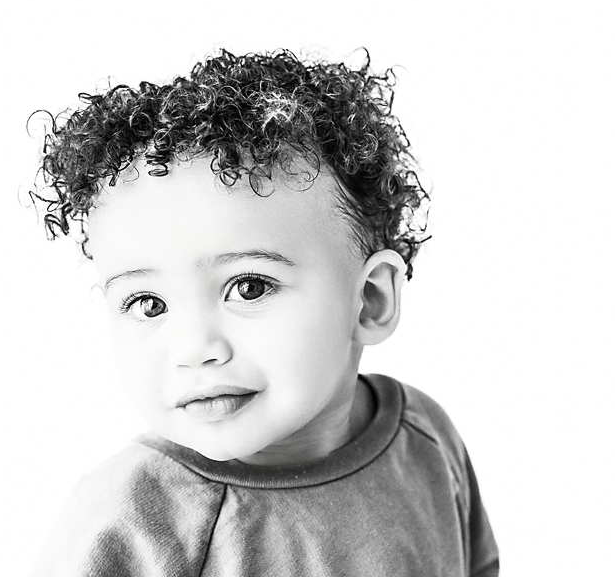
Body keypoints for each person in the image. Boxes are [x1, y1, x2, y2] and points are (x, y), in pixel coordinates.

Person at [28, 49, 499, 576]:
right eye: (147, 303)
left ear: (370, 299)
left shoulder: (424, 440)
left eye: (248, 287)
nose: (194, 348)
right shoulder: (131, 518)